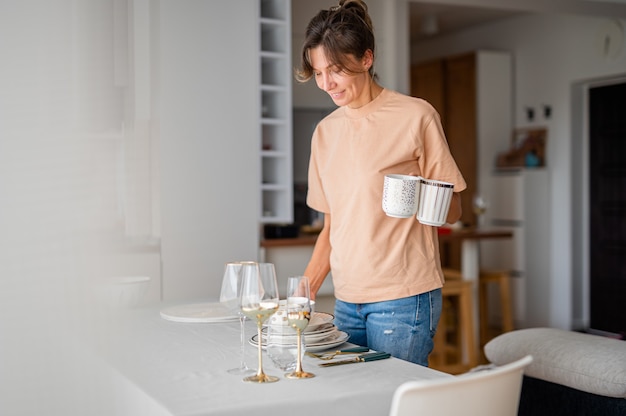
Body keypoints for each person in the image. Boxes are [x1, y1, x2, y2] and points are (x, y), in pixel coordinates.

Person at [297, 0, 466, 366]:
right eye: (319, 72)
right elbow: (331, 228)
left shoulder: (415, 115)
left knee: (393, 402)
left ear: (366, 58)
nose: (327, 83)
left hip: (403, 298)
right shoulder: (324, 133)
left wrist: (418, 189)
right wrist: (303, 297)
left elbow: (453, 212)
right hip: (345, 301)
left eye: (336, 69)